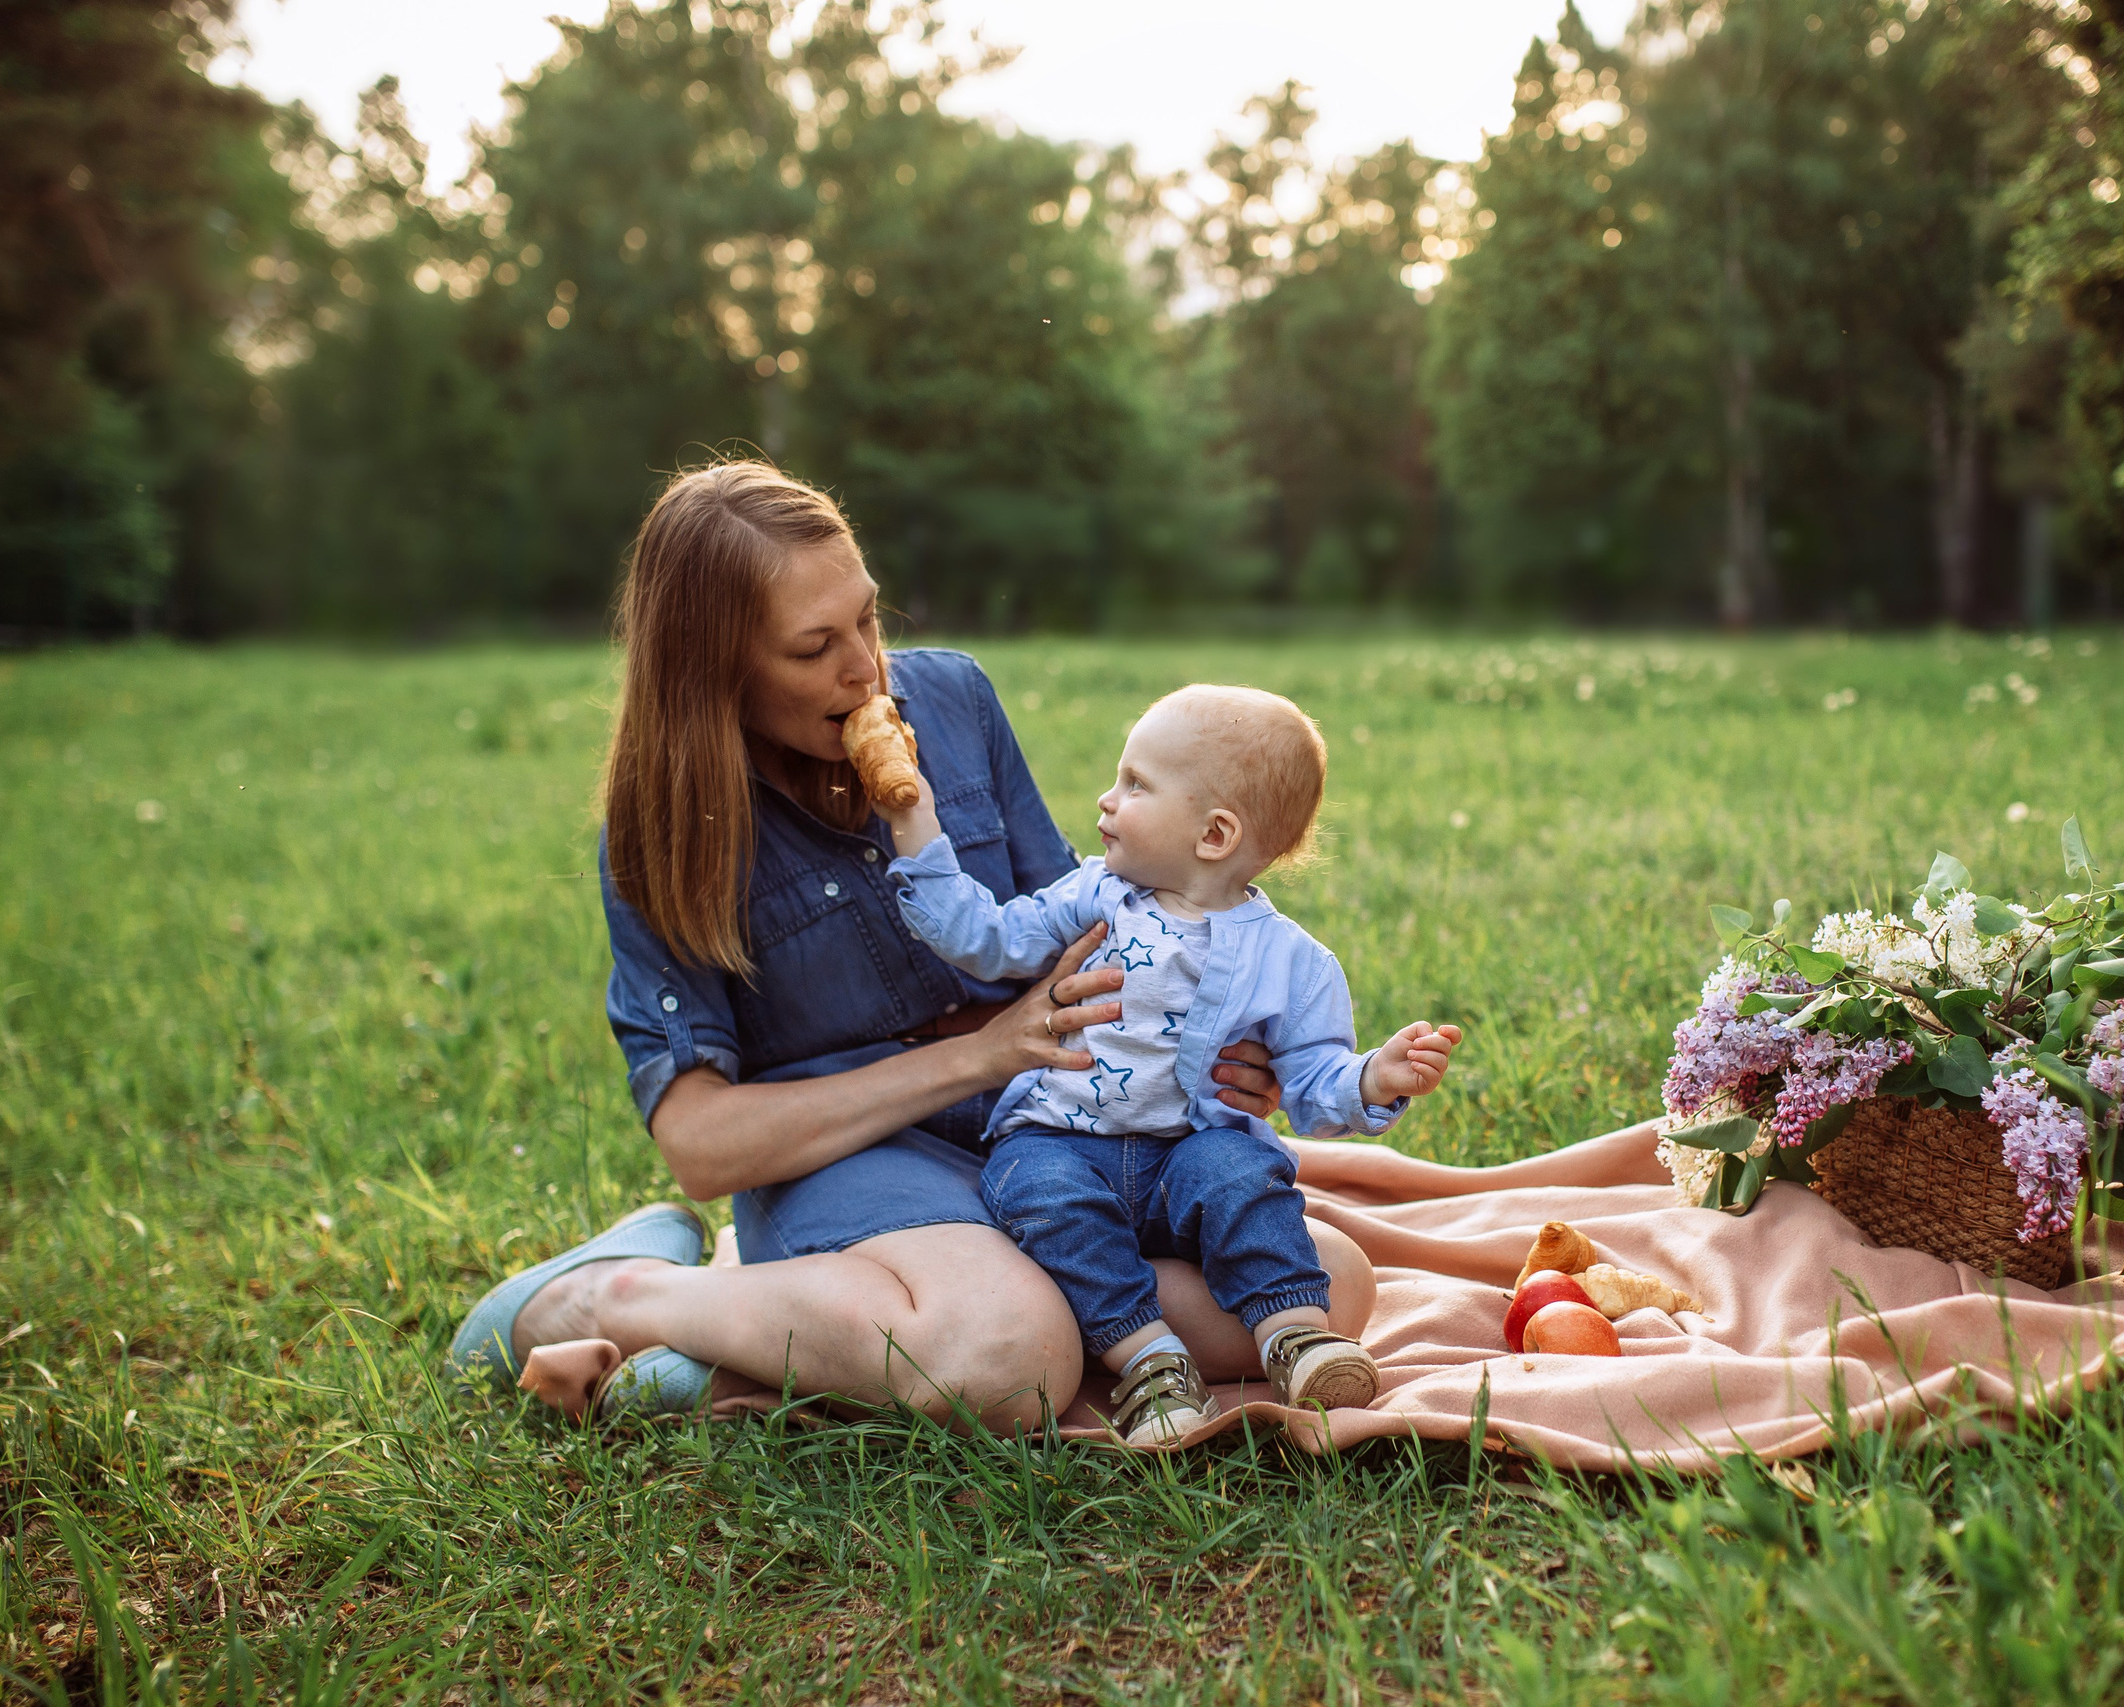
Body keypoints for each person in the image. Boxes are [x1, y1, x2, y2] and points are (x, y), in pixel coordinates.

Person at [446, 461, 1375, 1429]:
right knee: (1011, 1363)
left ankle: (753, 1353)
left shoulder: (956, 701)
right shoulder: (662, 836)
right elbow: (700, 1145)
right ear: (714, 670)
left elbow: (1086, 932)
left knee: (1324, 1289)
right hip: (851, 1164)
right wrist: (976, 1054)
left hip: (1046, 1133)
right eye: (815, 649)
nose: (866, 670)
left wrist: (1223, 1046)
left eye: (869, 620)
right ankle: (623, 1296)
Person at [882, 684, 1462, 1444]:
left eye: (1135, 785)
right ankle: (1150, 1360)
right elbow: (987, 937)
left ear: (1214, 834)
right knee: (1039, 1193)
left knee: (1241, 1174)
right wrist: (914, 826)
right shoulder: (1096, 894)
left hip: (1185, 1153)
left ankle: (1298, 1336)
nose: (1106, 798)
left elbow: (1313, 1081)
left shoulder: (1293, 959)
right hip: (1060, 1140)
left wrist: (1372, 1078)